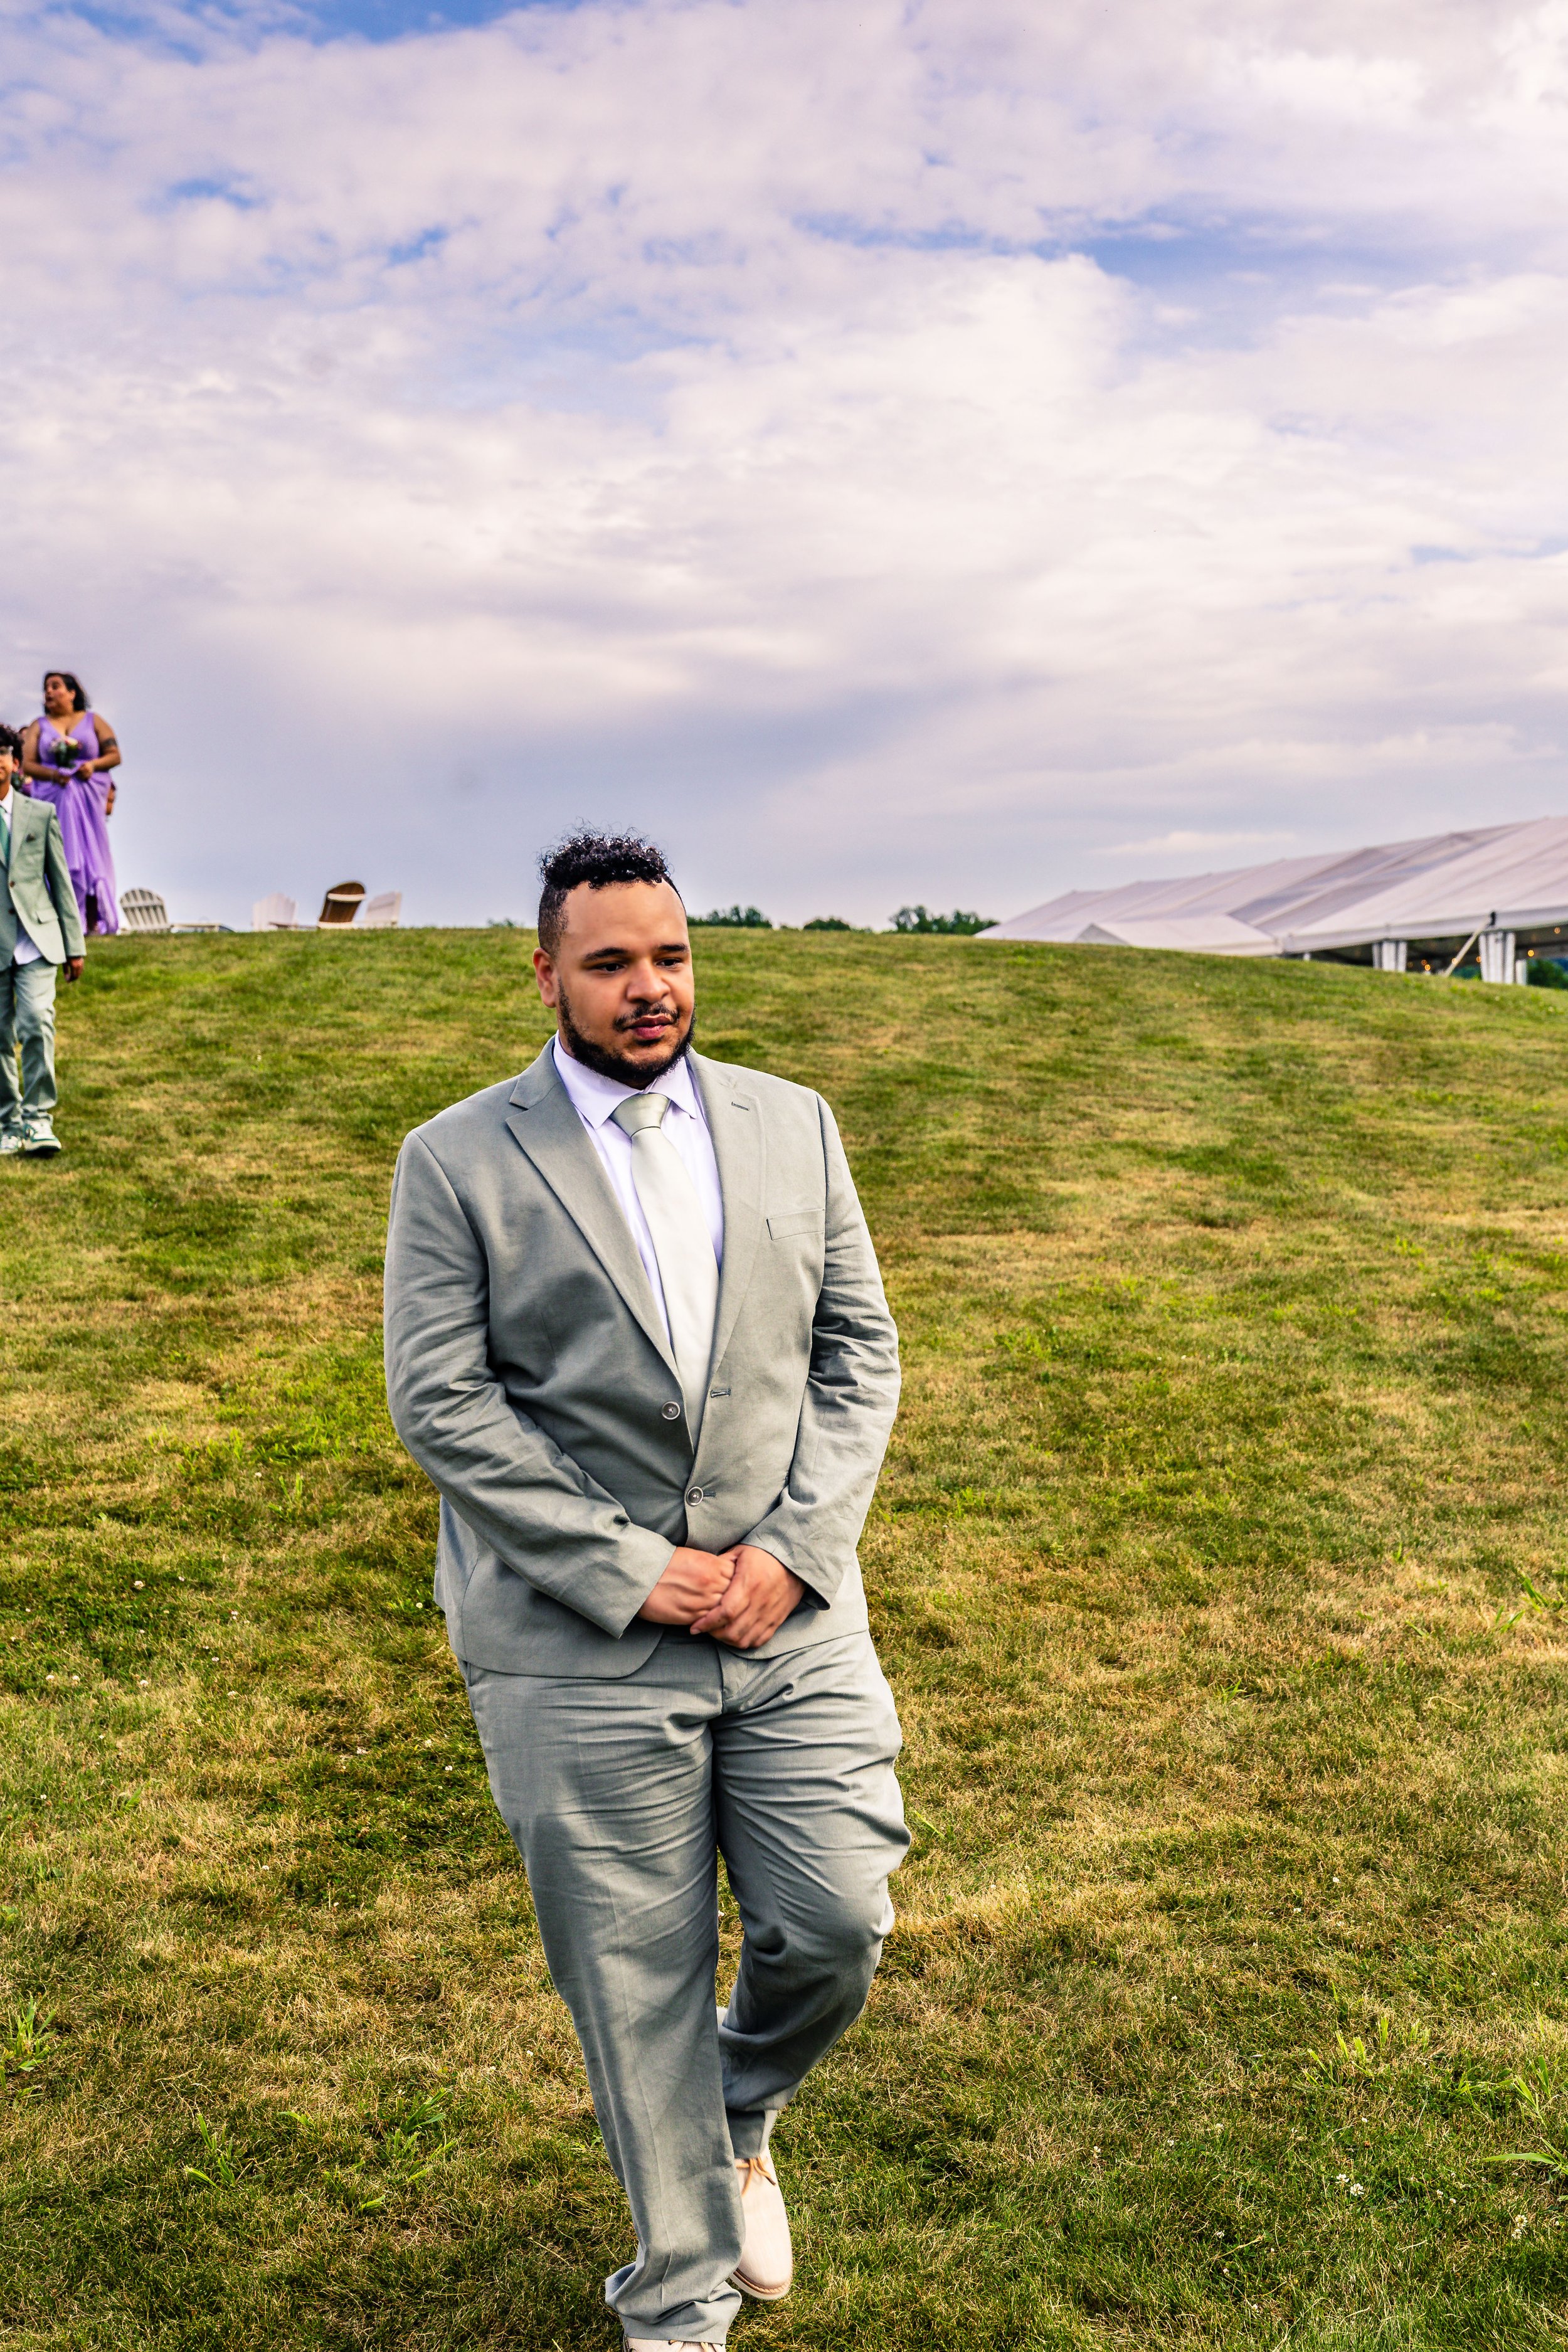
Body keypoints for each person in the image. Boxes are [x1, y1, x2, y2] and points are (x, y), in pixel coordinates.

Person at [384, 830, 907, 2351]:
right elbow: (443, 1399)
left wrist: (791, 1550)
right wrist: (635, 1570)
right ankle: (678, 2299)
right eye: (609, 961)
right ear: (545, 973)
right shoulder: (458, 1156)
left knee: (835, 1915)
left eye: (668, 955)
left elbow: (858, 1353)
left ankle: (736, 2103)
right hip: (577, 1638)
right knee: (634, 1979)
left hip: (790, 1613)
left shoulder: (792, 1123)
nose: (647, 986)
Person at [0, 724, 85, 1156]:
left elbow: (60, 881)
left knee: (37, 1021)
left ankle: (37, 1120)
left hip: (36, 942)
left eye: (2, 753)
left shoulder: (39, 814)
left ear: (15, 763)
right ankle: (7, 1123)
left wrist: (75, 945)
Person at [21, 670, 121, 936]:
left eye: (55, 687)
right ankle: (58, 918)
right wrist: (55, 774)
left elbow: (114, 755)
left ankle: (92, 921)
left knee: (91, 858)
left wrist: (91, 765)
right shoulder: (38, 726)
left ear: (72, 692)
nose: (49, 692)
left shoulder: (93, 721)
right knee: (58, 854)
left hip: (87, 801)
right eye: (46, 688)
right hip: (53, 796)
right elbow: (28, 764)